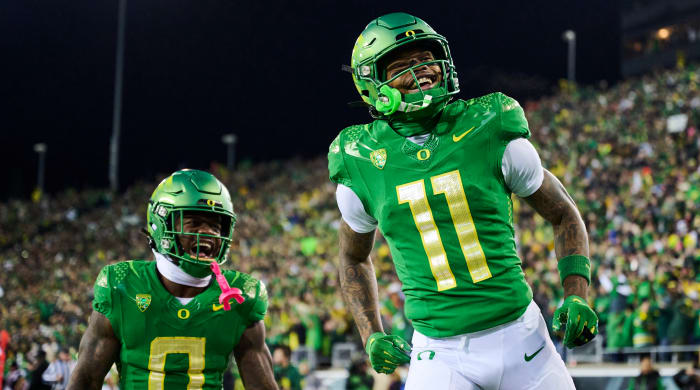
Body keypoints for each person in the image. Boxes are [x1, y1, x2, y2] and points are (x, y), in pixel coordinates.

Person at [329, 12, 598, 389]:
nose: (423, 69)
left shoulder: (488, 126)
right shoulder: (360, 158)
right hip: (439, 352)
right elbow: (353, 255)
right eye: (403, 65)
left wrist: (577, 293)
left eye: (427, 57)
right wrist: (370, 332)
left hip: (522, 337)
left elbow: (563, 212)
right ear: (372, 85)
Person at [67, 169, 277, 389]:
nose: (208, 233)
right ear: (162, 224)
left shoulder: (240, 296)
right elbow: (86, 380)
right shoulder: (122, 286)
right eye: (194, 222)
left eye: (216, 226)